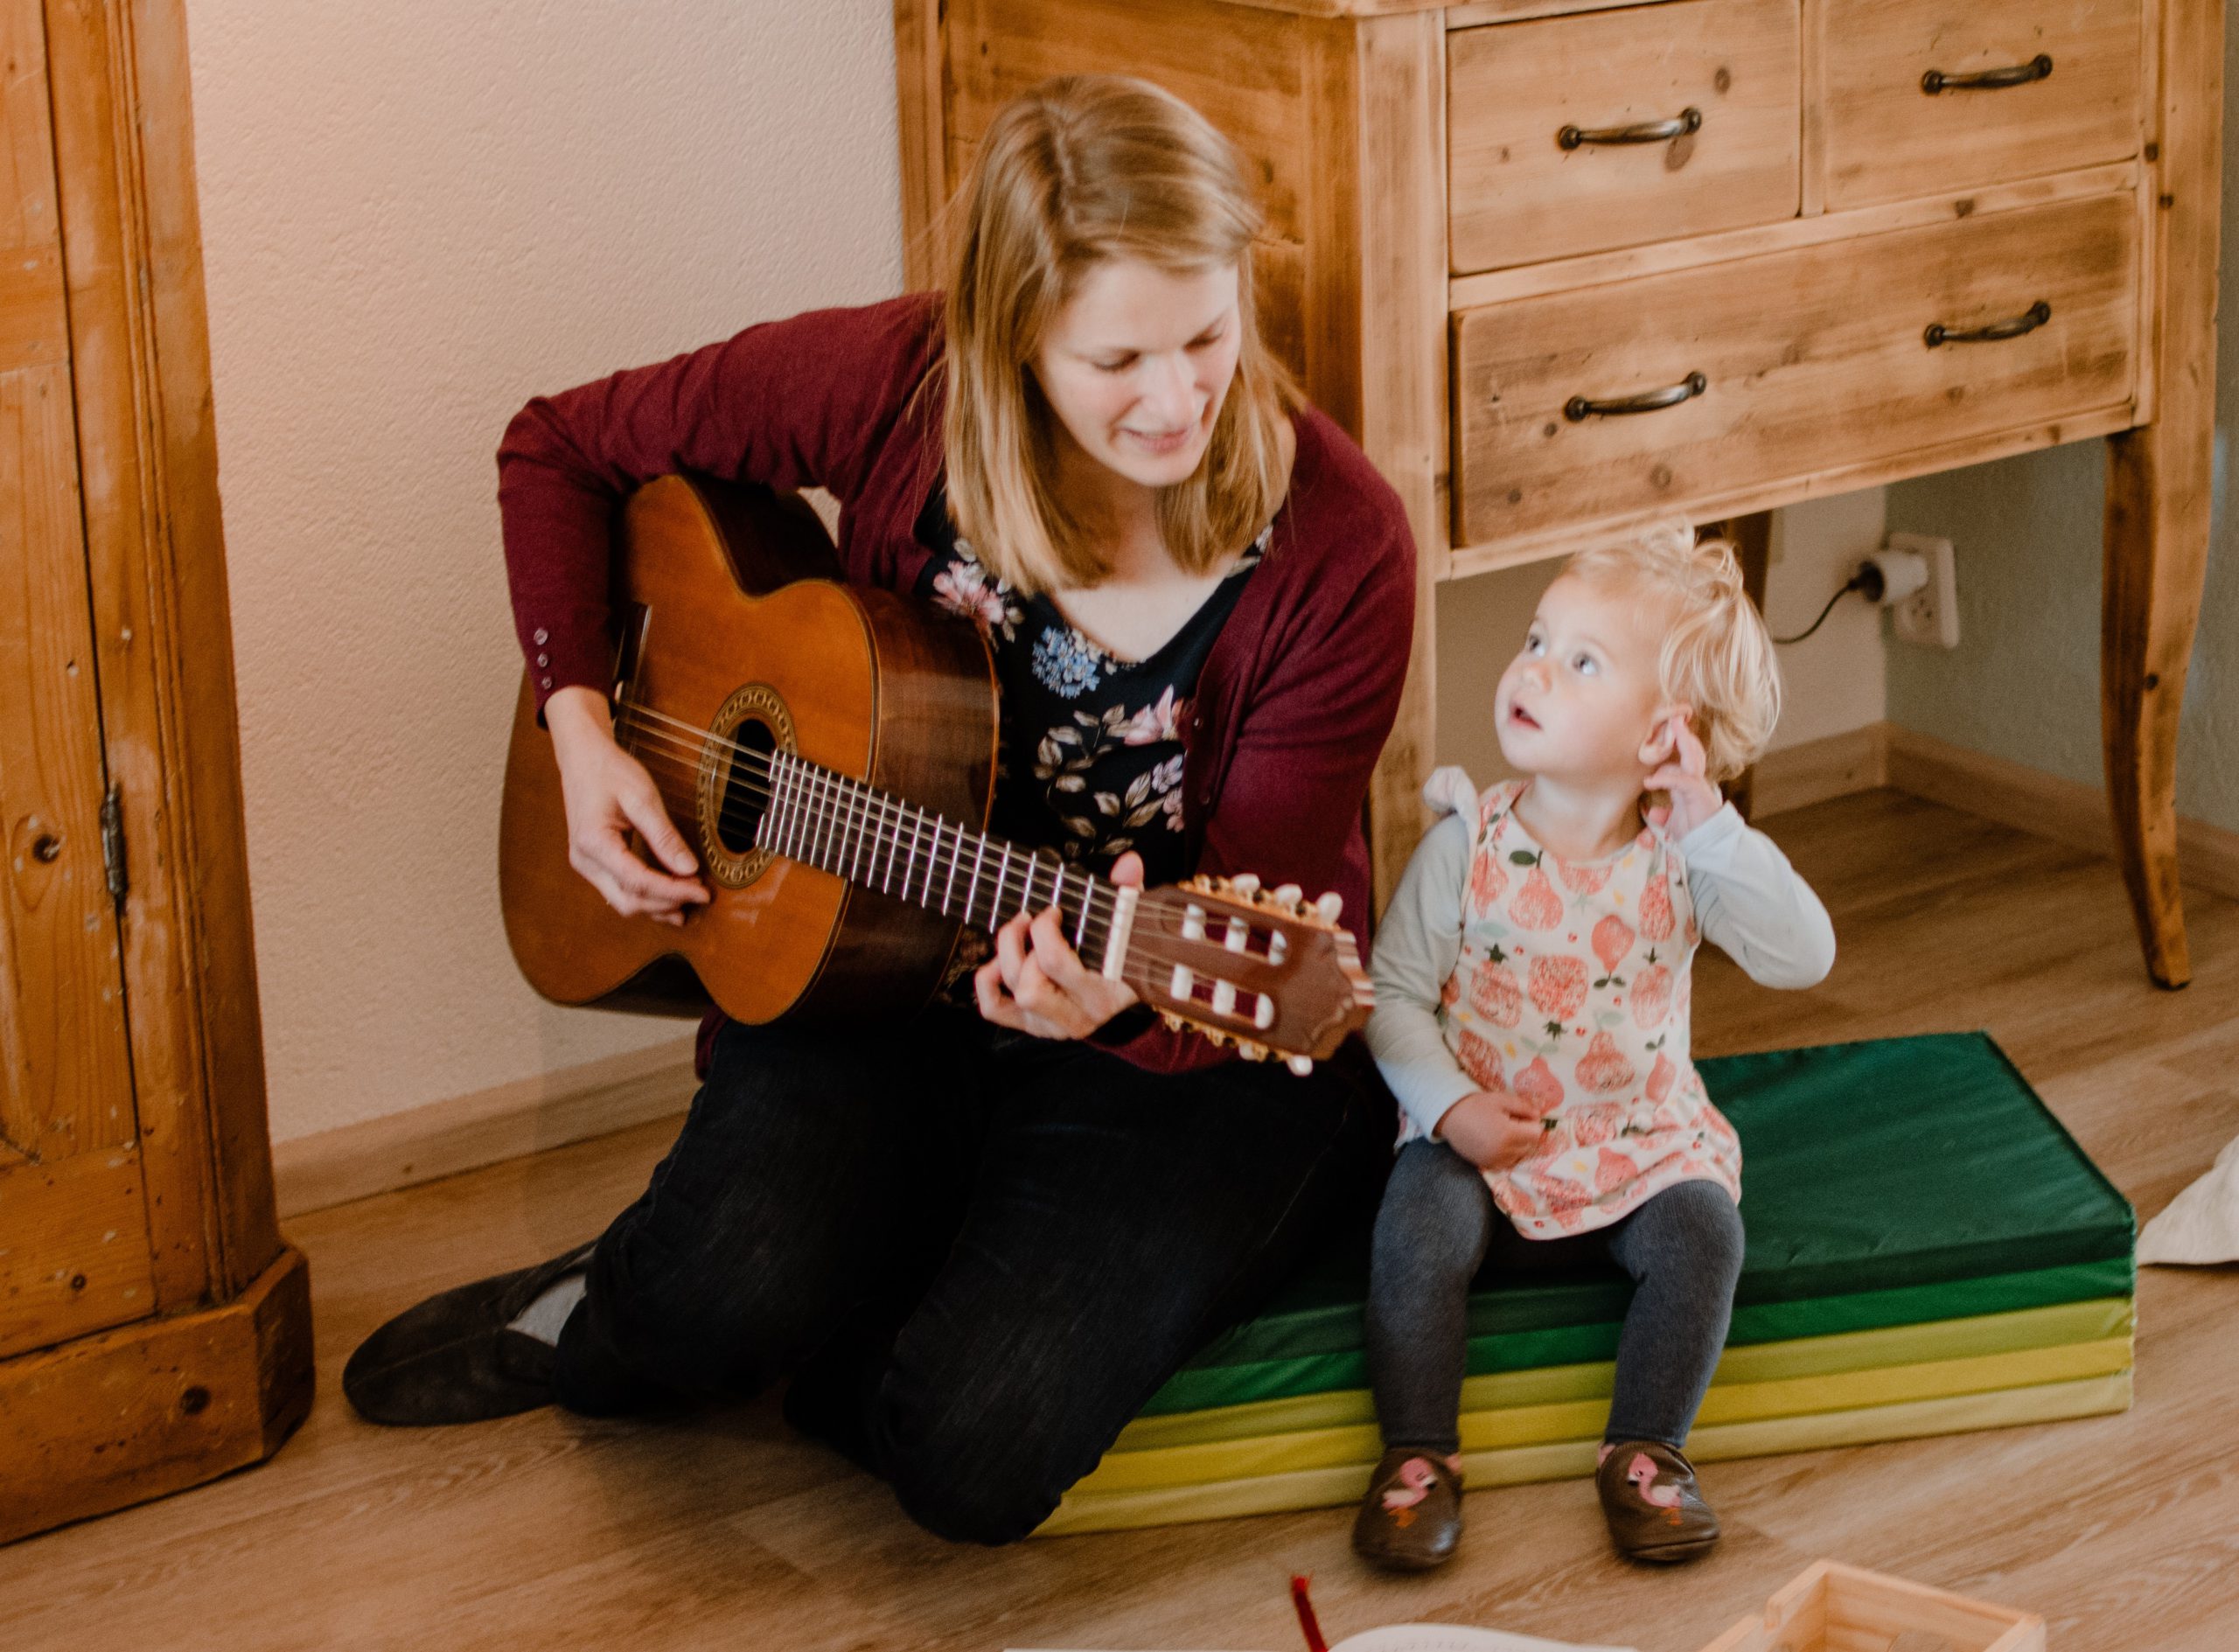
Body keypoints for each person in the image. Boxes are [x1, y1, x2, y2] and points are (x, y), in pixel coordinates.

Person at [342, 73, 1416, 1547]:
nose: (1175, 400)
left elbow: (1268, 913)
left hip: (1174, 1028)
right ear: (1009, 335)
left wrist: (1109, 1001)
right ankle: (639, 1289)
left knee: (969, 1453)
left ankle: (993, 1249)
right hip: (882, 969)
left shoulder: (1339, 547)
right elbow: (559, 445)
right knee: (694, 1305)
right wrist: (580, 720)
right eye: (1116, 358)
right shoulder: (900, 383)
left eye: (1209, 338)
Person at [1351, 523, 1836, 1572]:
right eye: (1537, 637)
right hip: (1481, 1136)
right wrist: (1449, 1110)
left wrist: (1711, 824)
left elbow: (1806, 955)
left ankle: (1646, 1445)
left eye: (1579, 660)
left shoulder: (1683, 855)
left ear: (1666, 730)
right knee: (1413, 1229)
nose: (1530, 667)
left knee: (1705, 1234)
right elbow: (1389, 995)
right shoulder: (1465, 844)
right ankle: (1419, 1450)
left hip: (1632, 1137)